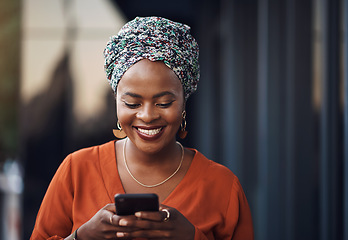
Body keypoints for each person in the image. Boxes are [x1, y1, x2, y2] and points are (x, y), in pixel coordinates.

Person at [30, 16, 254, 240]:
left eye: (164, 103)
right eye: (132, 103)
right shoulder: (76, 171)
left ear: (184, 101)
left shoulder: (223, 186)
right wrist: (82, 236)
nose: (147, 116)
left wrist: (192, 236)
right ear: (116, 101)